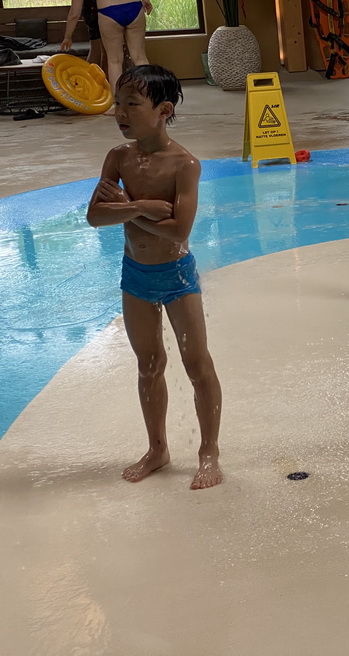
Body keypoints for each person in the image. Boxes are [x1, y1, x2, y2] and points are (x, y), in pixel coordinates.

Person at [86, 65, 224, 490]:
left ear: (163, 110)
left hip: (177, 276)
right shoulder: (119, 158)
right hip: (136, 277)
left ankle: (209, 453)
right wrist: (141, 206)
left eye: (132, 104)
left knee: (196, 364)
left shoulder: (184, 164)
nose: (120, 112)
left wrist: (126, 208)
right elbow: (94, 217)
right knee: (149, 365)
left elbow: (179, 230)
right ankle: (158, 448)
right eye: (117, 103)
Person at [60, 0, 152, 101]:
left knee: (115, 61)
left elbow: (74, 14)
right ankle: (152, 97)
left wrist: (68, 37)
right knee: (140, 58)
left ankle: (117, 104)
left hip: (110, 12)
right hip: (134, 7)